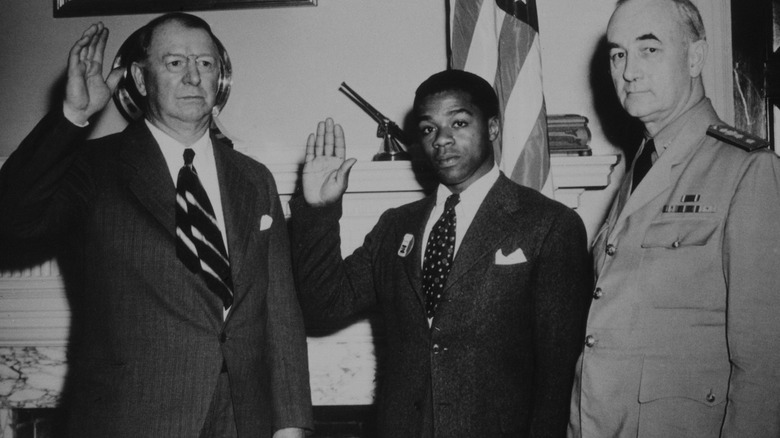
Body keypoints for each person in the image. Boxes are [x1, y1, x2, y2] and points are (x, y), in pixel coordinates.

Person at [0, 14, 312, 437]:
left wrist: (292, 423)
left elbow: (280, 309)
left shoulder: (255, 179)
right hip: (131, 417)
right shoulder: (95, 168)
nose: (192, 76)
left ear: (220, 79)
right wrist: (71, 117)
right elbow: (12, 219)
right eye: (174, 63)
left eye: (205, 64)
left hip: (243, 419)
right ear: (142, 81)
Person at [290, 69, 592, 437]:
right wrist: (318, 210)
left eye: (459, 123)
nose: (442, 140)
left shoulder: (549, 225)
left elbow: (559, 374)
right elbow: (323, 305)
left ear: (493, 128)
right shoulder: (395, 227)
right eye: (429, 129)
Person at [567, 0, 780, 437]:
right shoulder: (641, 166)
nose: (628, 72)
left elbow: (766, 363)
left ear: (695, 57)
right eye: (618, 54)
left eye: (649, 50)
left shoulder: (747, 170)